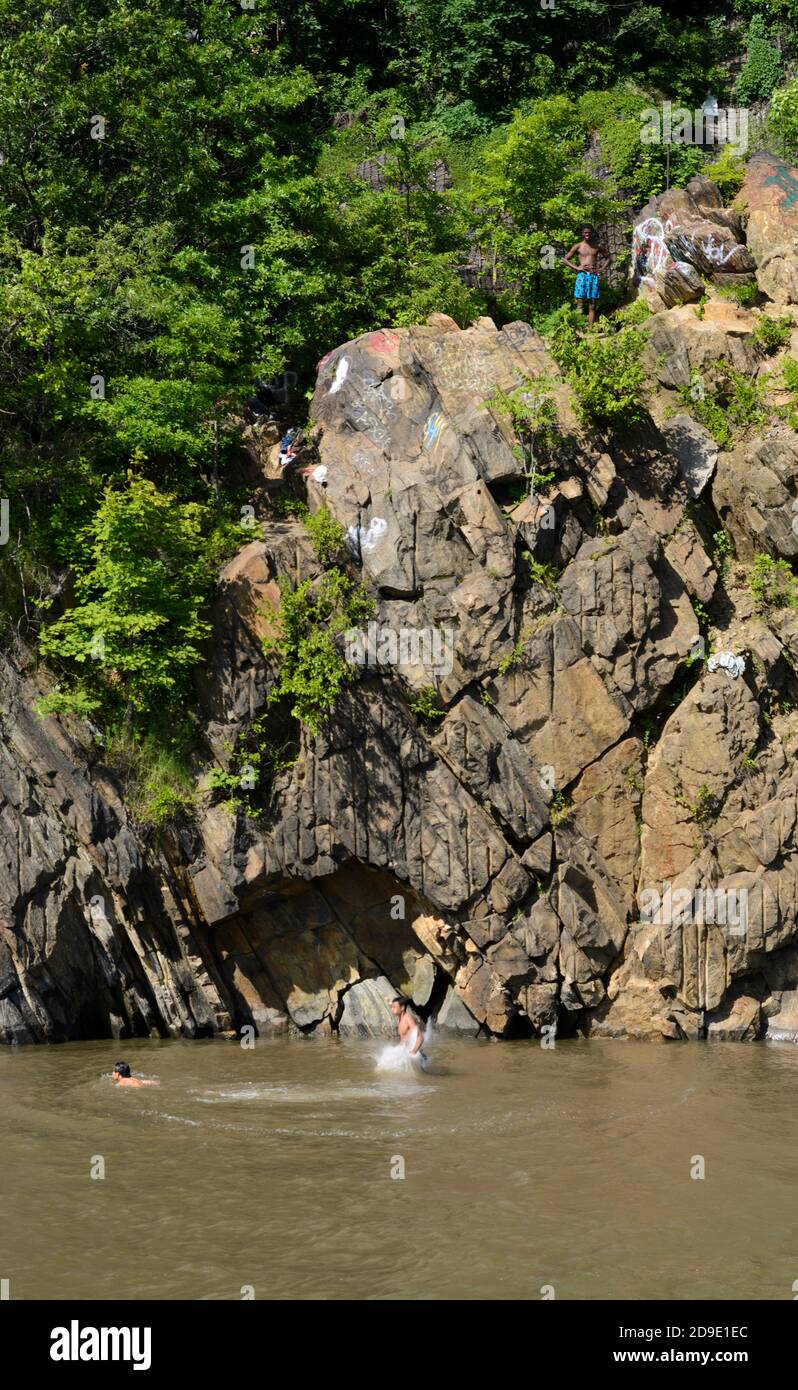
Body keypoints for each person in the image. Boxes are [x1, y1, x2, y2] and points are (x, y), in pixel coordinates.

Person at [562, 224, 609, 328]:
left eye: (588, 232)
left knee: (592, 305)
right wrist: (576, 268)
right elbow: (564, 259)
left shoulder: (597, 246)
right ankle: (578, 328)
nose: (587, 234)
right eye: (585, 233)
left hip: (593, 277)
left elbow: (609, 258)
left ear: (592, 233)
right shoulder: (578, 246)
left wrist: (600, 269)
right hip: (582, 276)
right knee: (580, 304)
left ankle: (590, 329)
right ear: (582, 234)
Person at [390, 997, 428, 1069]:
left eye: (394, 1007)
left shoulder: (408, 1018)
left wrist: (414, 1051)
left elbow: (420, 1036)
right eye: (391, 1007)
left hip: (418, 1056)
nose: (392, 1009)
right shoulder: (400, 1019)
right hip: (407, 1052)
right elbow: (404, 1039)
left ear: (402, 1008)